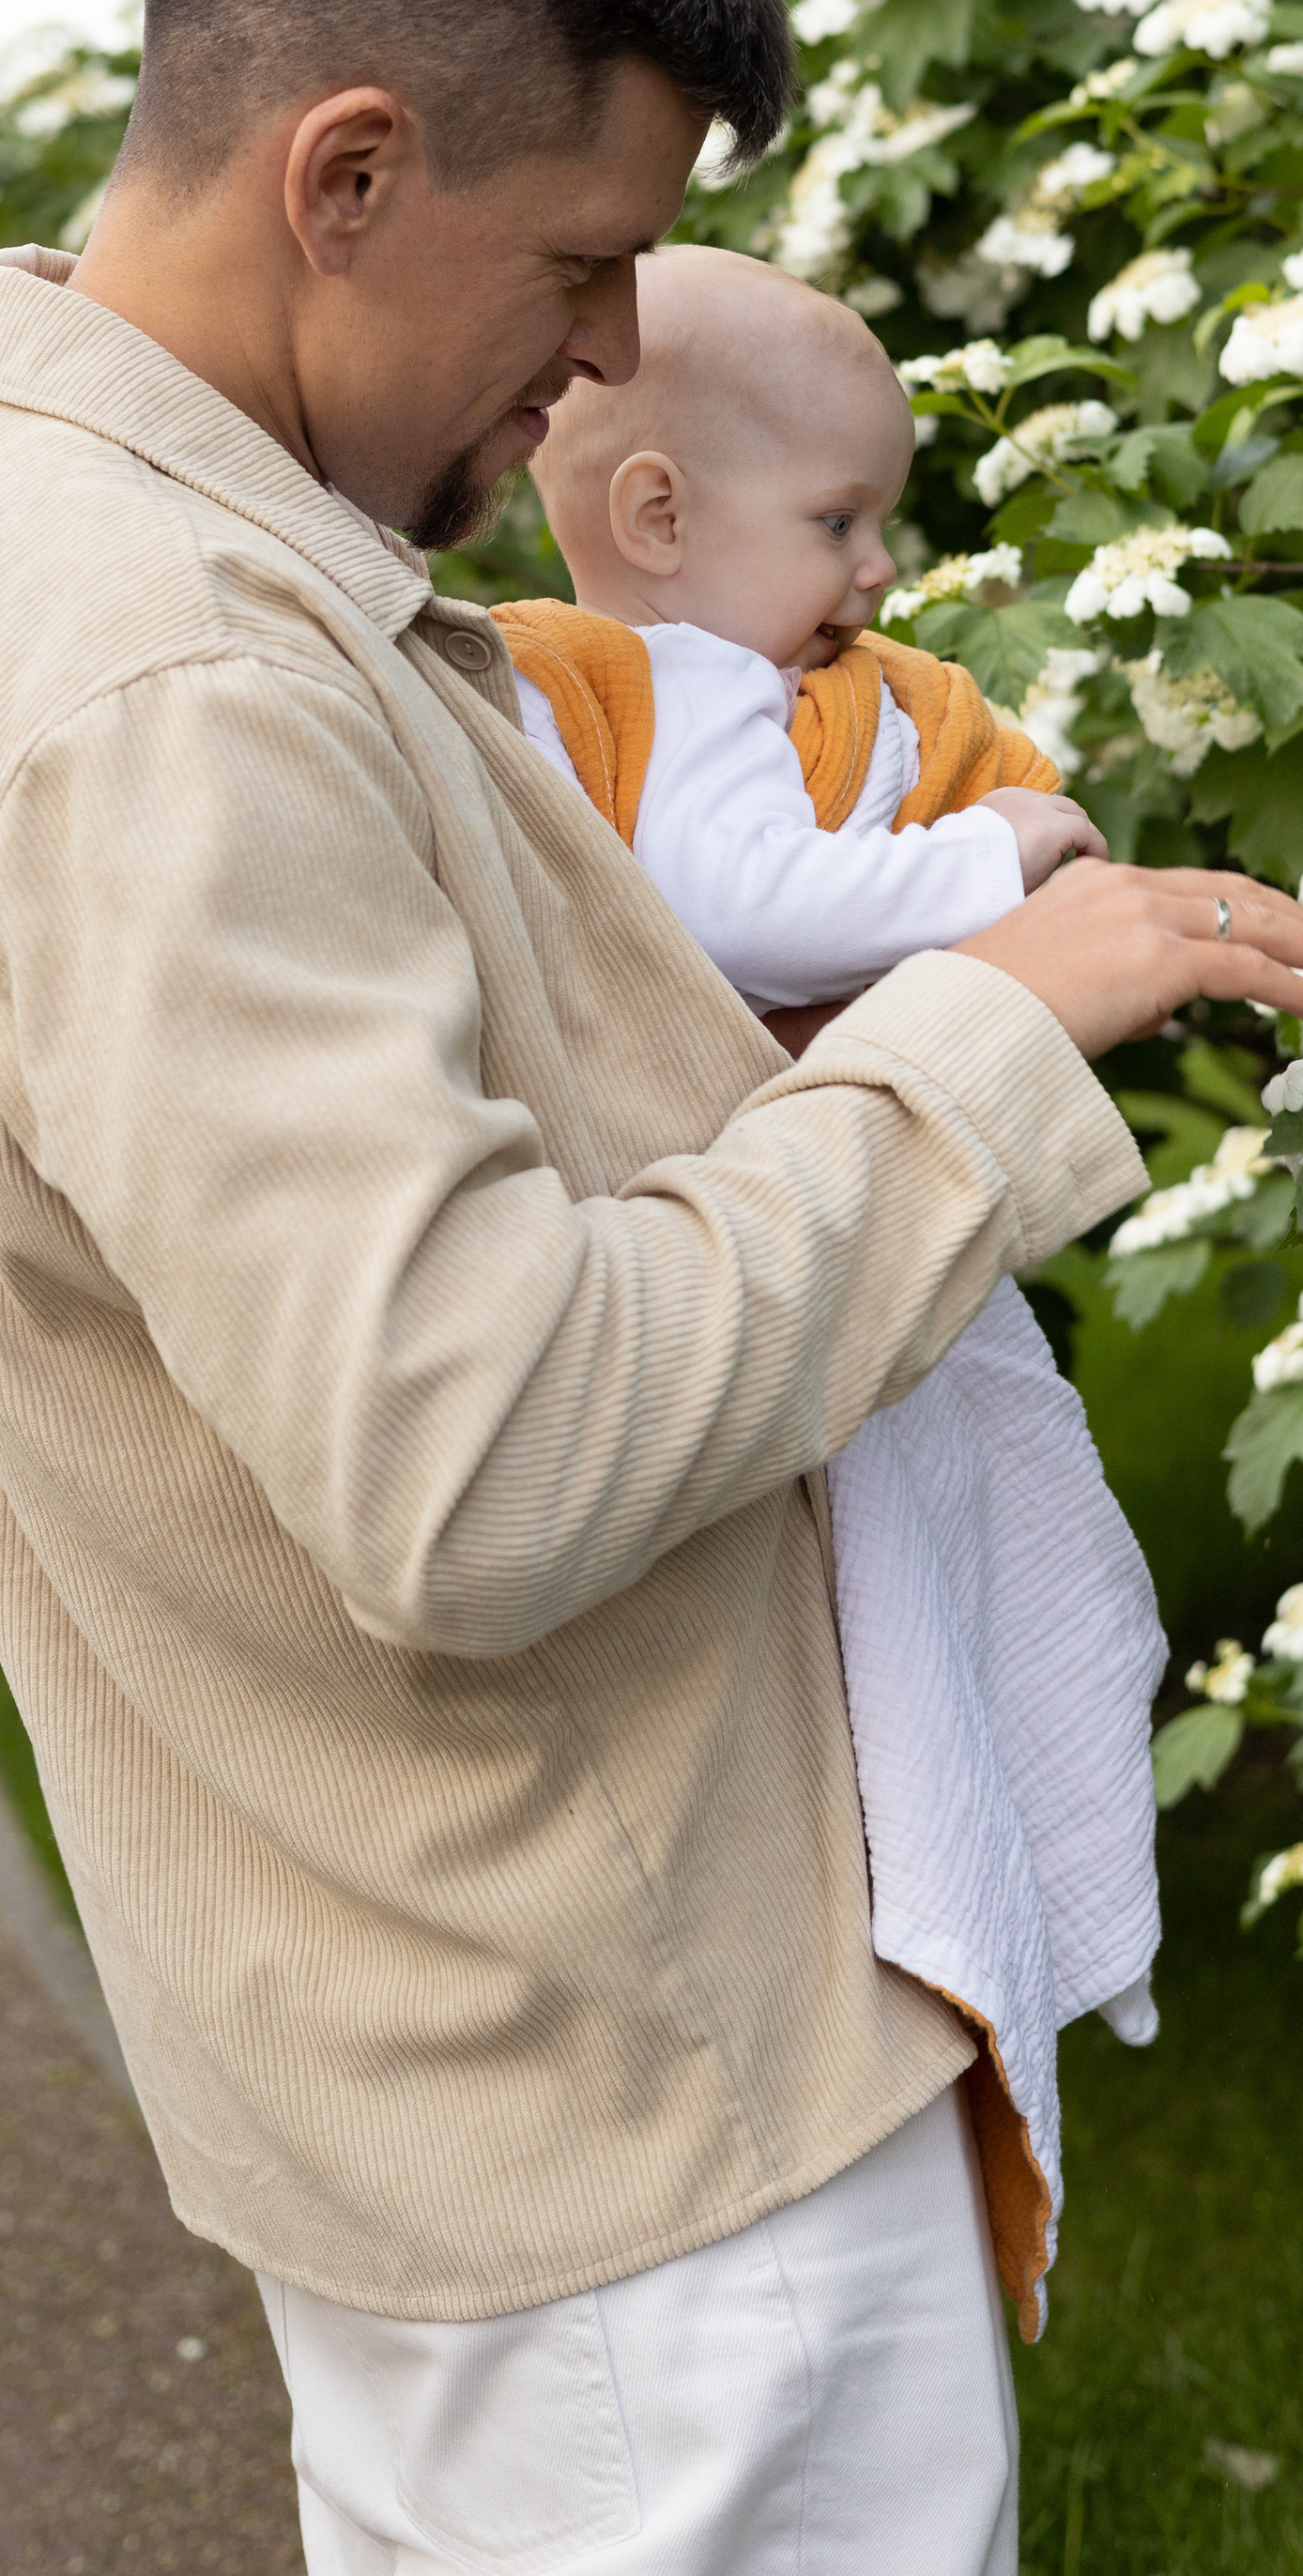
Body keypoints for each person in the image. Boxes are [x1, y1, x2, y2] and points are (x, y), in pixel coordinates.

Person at [0, 0, 1303, 2576]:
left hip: (500, 2081)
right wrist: (988, 1039)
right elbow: (481, 1459)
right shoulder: (166, 679)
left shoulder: (146, 564)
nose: (619, 356)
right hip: (638, 2147)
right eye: (589, 255)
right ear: (351, 174)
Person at [504, 240, 1172, 2345]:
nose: (876, 569)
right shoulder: (678, 687)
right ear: (657, 521)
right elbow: (735, 897)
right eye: (838, 521)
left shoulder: (740, 689)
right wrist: (1013, 878)